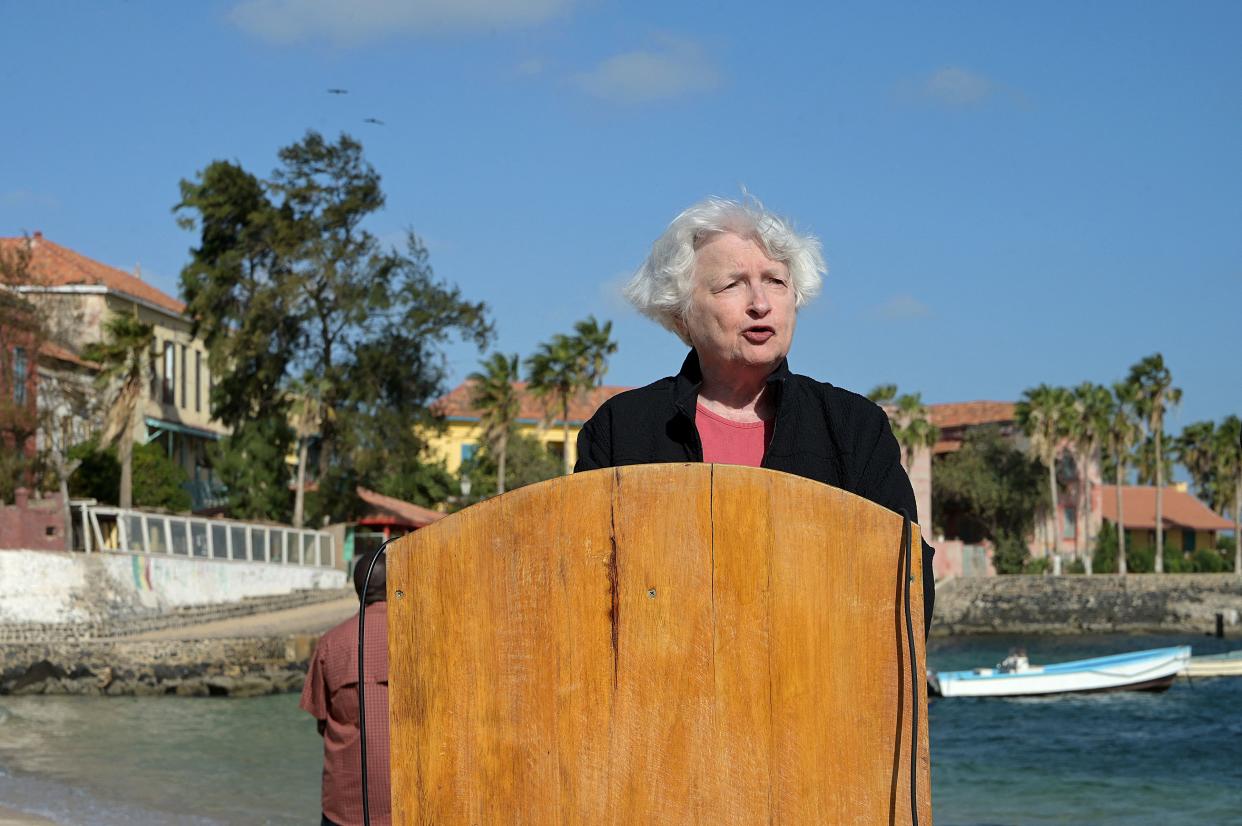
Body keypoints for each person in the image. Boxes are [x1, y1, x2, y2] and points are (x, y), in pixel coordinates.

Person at [574, 196, 934, 633]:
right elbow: (586, 587)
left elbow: (908, 581)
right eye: (733, 285)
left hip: (816, 690)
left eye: (776, 282)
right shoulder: (621, 429)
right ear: (681, 313)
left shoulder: (854, 426)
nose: (761, 303)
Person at [300, 550, 390, 826]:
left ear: (356, 589)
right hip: (412, 802)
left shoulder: (331, 643)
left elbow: (321, 722)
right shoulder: (423, 636)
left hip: (346, 806)